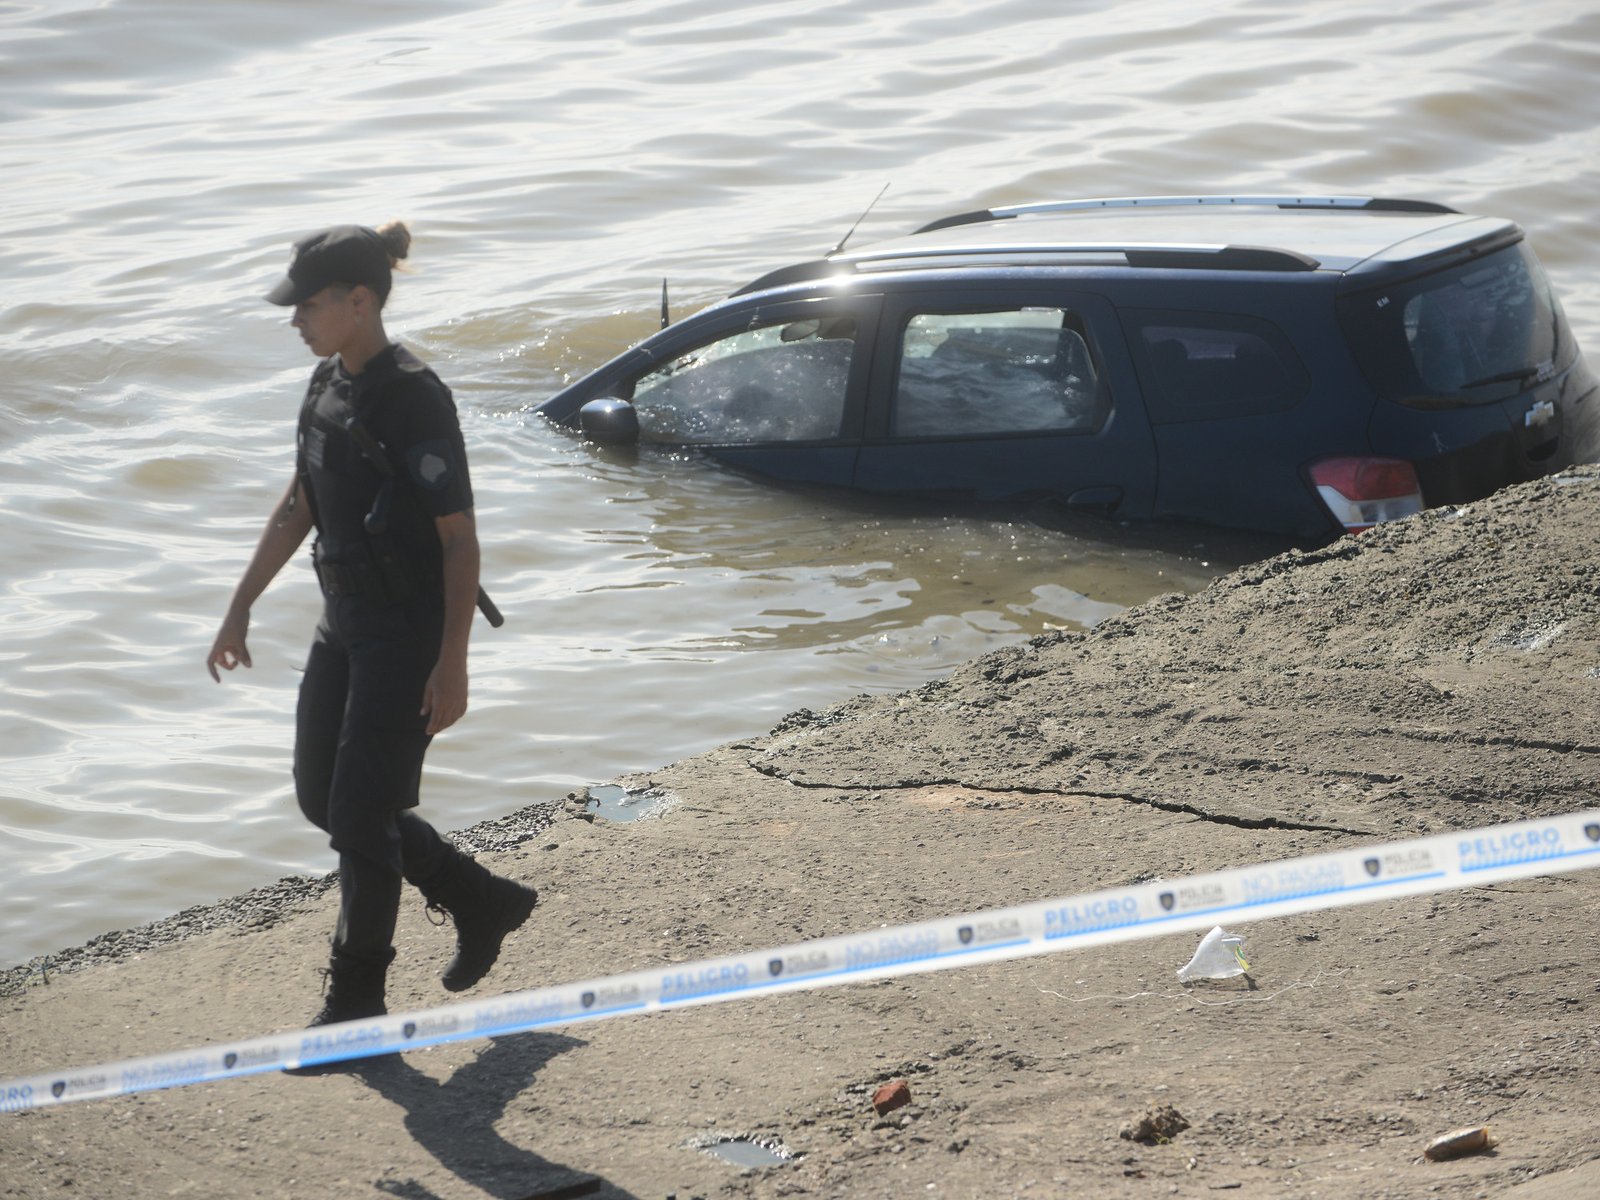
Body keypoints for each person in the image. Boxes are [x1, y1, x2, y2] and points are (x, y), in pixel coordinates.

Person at [206, 223, 536, 1063]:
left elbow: (459, 540)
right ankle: (479, 897)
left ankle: (357, 1003)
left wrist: (452, 663)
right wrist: (240, 607)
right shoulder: (326, 382)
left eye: (307, 306)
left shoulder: (415, 398)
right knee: (324, 797)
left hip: (406, 630)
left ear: (359, 301)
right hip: (343, 619)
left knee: (360, 812)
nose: (295, 321)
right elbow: (300, 505)